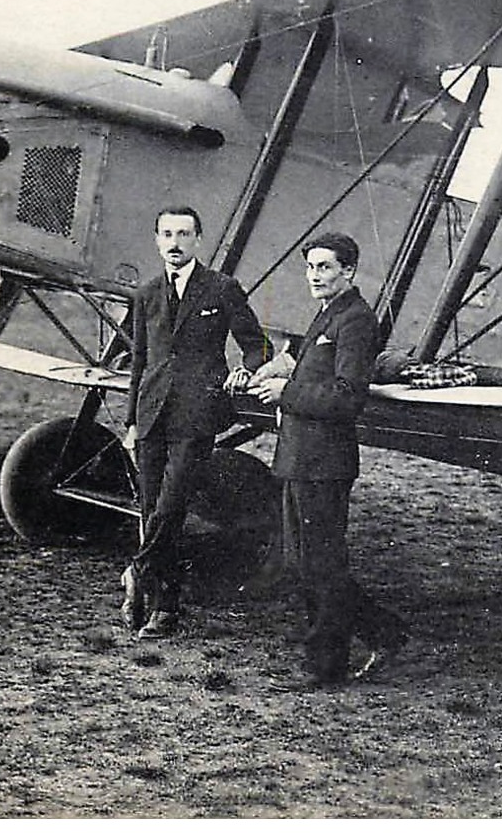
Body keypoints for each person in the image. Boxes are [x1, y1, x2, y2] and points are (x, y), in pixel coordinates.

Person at [248, 232, 408, 690]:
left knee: (321, 565)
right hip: (301, 458)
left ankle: (326, 666)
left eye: (325, 267)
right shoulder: (327, 315)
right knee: (306, 563)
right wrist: (277, 372)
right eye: (311, 267)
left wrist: (287, 392)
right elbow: (309, 369)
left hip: (325, 463)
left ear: (349, 271)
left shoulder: (356, 321)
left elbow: (347, 397)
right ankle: (384, 632)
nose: (315, 276)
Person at [122, 205, 270, 639]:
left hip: (197, 413)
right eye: (166, 234)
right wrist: (132, 420)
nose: (175, 243)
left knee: (171, 505)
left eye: (184, 234)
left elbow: (256, 342)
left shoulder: (222, 288)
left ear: (198, 240)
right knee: (152, 509)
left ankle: (136, 573)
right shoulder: (147, 292)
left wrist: (248, 368)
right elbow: (139, 361)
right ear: (156, 239)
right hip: (151, 413)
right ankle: (164, 609)